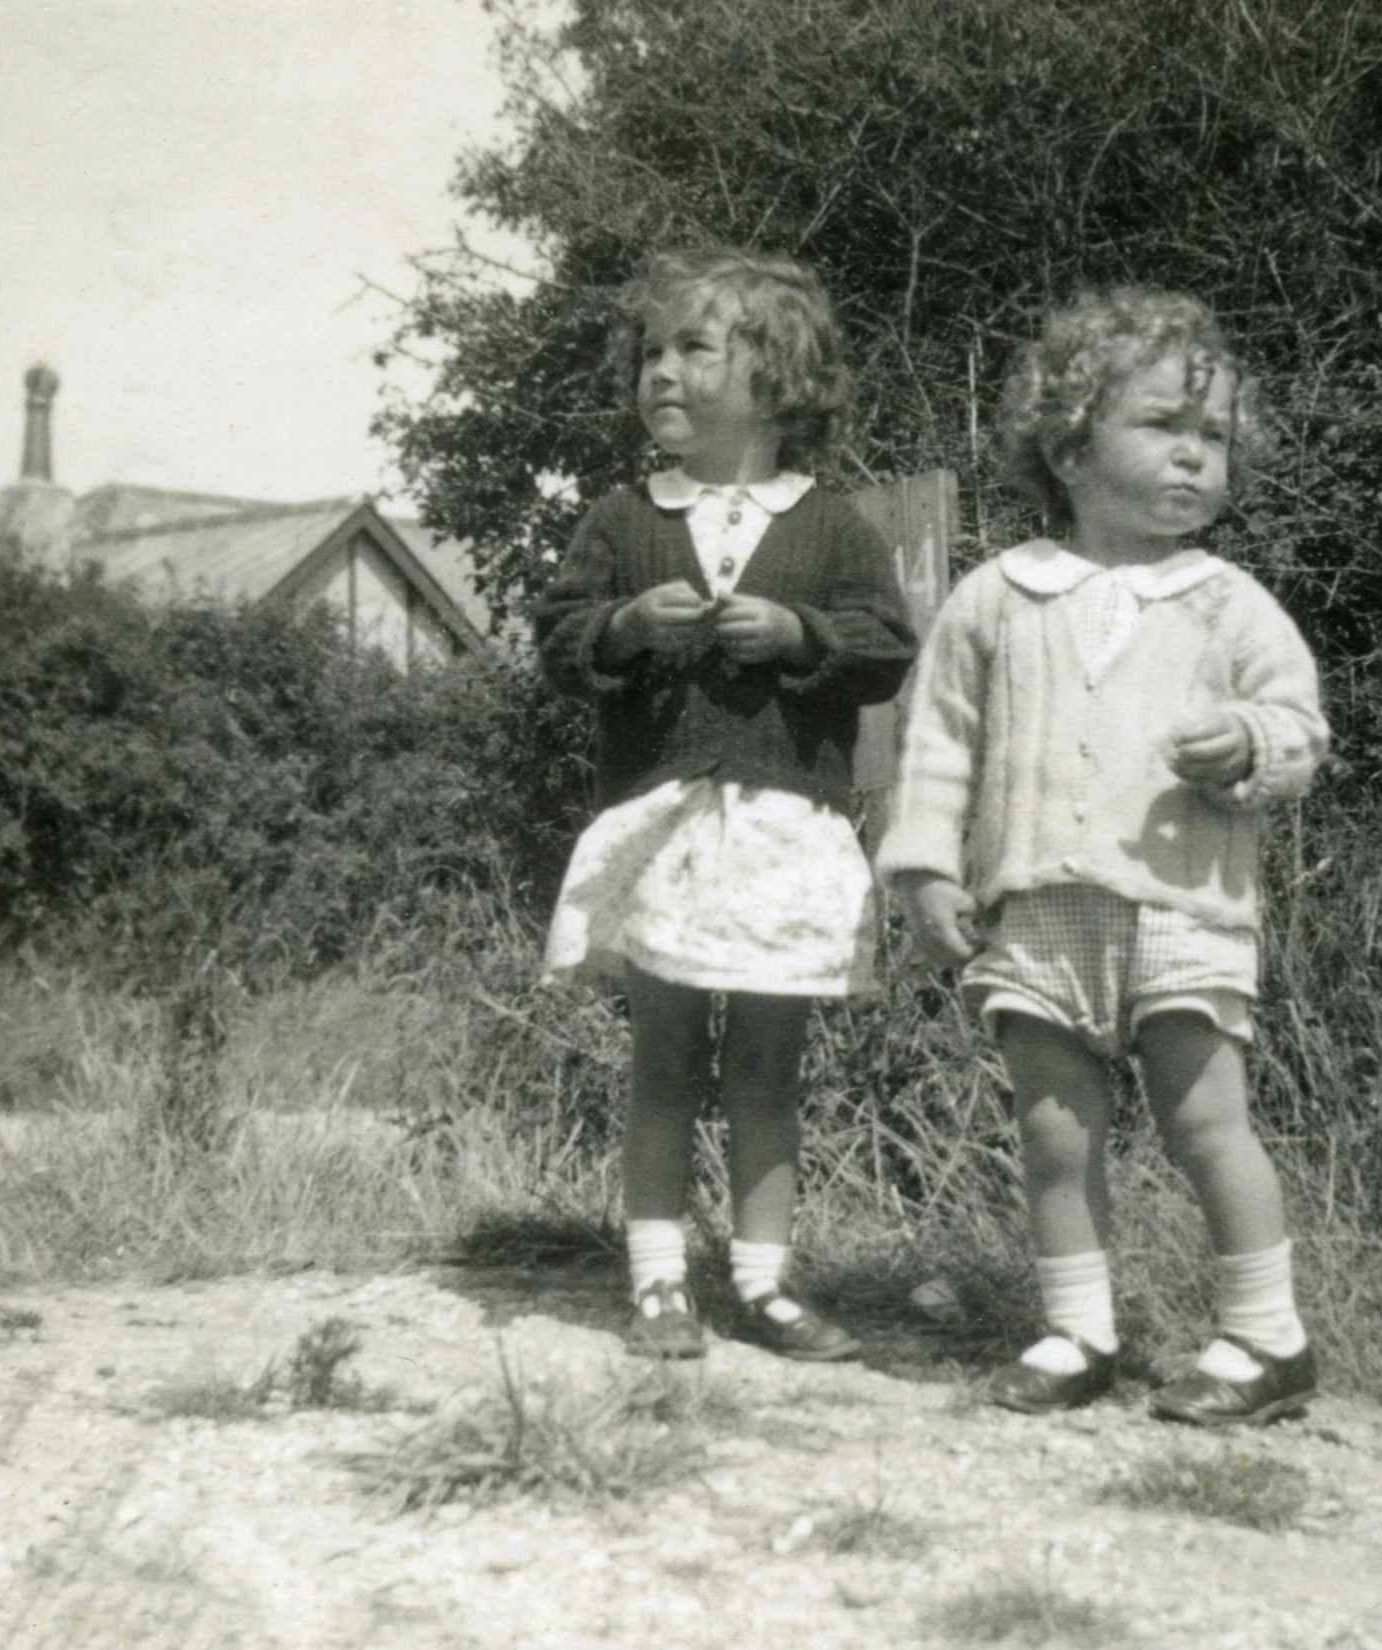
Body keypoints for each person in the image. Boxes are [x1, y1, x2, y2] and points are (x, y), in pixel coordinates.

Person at [877, 288, 1330, 1425]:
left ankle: (1268, 1338)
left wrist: (1249, 745)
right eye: (1164, 427)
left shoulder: (1228, 603)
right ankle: (1079, 1331)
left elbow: (1300, 729)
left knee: (1203, 1119)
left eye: (1214, 437)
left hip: (1182, 908)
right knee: (1053, 1127)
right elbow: (939, 743)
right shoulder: (997, 596)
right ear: (1072, 445)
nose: (1193, 458)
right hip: (1035, 909)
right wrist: (927, 865)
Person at [534, 247, 916, 1363]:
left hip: (786, 828)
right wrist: (623, 628)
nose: (661, 371)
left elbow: (888, 647)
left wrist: (803, 635)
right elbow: (560, 640)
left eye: (693, 348)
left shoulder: (832, 524)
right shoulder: (622, 518)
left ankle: (765, 1284)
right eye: (649, 351)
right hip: (663, 825)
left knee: (765, 1066)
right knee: (662, 1060)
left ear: (777, 375)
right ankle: (659, 1284)